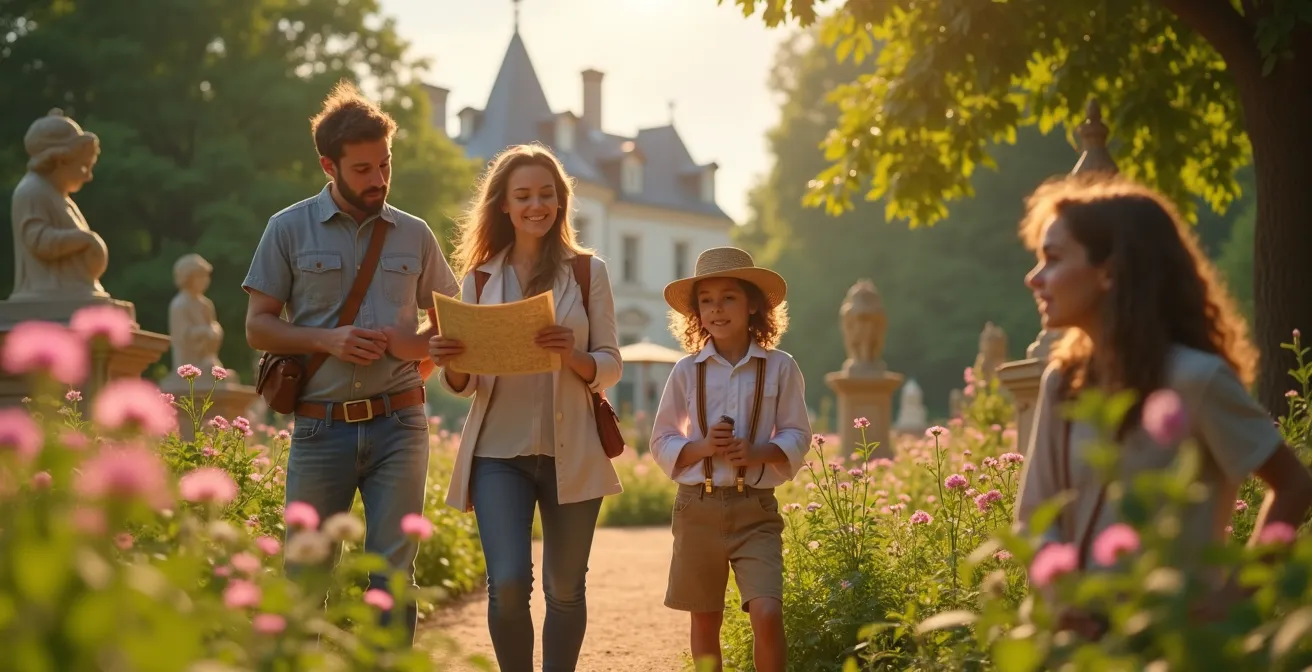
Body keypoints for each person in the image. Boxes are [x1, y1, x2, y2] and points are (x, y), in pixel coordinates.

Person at [1013, 175, 1312, 634]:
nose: (1034, 278)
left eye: (1052, 258)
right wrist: (1061, 598)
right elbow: (1035, 516)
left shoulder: (1196, 378)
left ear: (1110, 271)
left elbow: (1293, 485)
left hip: (1176, 643)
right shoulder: (1063, 382)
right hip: (1080, 648)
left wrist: (1235, 596)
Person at [242, 81, 459, 645]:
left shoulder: (416, 233)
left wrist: (412, 356)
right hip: (319, 425)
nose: (379, 180)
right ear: (328, 164)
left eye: (385, 165)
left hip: (401, 426)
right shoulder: (286, 228)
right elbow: (257, 325)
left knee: (392, 575)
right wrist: (330, 341)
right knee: (305, 574)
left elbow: (450, 326)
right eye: (363, 169)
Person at [427, 143, 623, 672]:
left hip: (573, 451)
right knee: (508, 582)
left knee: (564, 589)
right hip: (498, 453)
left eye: (547, 194)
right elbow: (463, 383)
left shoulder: (588, 273)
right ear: (504, 207)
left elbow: (610, 364)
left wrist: (572, 355)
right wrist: (452, 359)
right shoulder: (480, 279)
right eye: (523, 196)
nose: (537, 205)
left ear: (560, 201)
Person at [649, 246, 812, 672]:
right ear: (696, 313)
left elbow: (798, 432)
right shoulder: (686, 370)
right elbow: (661, 438)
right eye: (706, 300)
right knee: (704, 616)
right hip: (696, 506)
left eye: (728, 298)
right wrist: (701, 447)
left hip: (755, 510)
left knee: (767, 611)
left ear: (753, 304)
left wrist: (760, 451)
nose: (716, 309)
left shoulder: (780, 367)